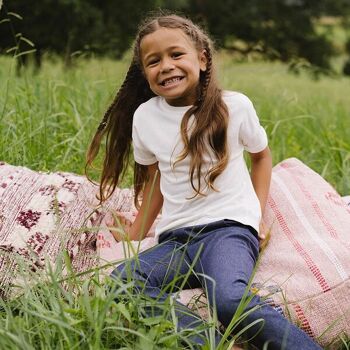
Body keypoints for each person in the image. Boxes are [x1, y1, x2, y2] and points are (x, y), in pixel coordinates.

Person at [86, 13, 322, 350]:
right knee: (123, 282)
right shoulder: (146, 117)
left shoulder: (234, 107)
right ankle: (214, 344)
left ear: (202, 58)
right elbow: (154, 181)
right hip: (177, 241)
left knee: (227, 299)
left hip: (228, 232)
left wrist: (255, 215)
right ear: (145, 73)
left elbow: (261, 157)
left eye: (176, 54)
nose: (166, 66)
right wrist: (137, 233)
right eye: (154, 61)